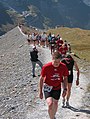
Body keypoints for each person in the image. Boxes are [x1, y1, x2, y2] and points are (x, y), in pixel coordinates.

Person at [39, 50, 69, 119]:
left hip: (57, 87)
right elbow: (41, 79)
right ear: (52, 59)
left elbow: (65, 78)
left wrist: (65, 89)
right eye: (55, 62)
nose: (57, 64)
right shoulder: (46, 67)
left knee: (55, 103)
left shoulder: (63, 66)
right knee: (50, 104)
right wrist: (40, 91)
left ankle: (53, 116)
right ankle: (51, 118)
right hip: (48, 87)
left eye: (58, 62)